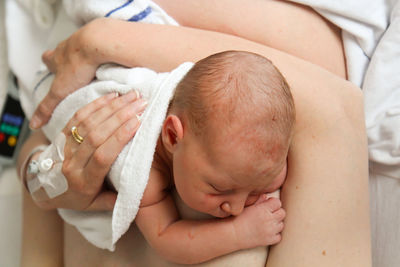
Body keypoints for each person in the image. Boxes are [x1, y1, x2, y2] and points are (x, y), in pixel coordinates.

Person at [17, 1, 371, 266]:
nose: (234, 208)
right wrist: (38, 174)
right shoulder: (149, 174)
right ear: (172, 136)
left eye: (256, 189)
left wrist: (103, 38)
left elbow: (331, 96)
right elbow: (37, 121)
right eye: (222, 190)